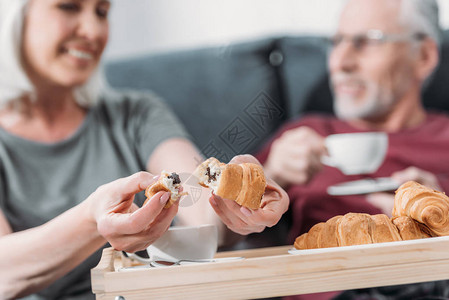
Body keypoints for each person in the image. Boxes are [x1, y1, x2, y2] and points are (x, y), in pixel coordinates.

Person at [0, 0, 289, 299]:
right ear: (15, 15)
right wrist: (93, 219)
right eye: (69, 7)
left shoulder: (137, 113)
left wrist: (238, 207)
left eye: (102, 12)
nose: (93, 29)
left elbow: (200, 204)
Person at [256, 0, 449, 299]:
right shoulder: (303, 137)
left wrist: (440, 218)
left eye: (367, 41)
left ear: (423, 56)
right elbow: (216, 226)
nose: (340, 63)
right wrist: (270, 175)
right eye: (336, 42)